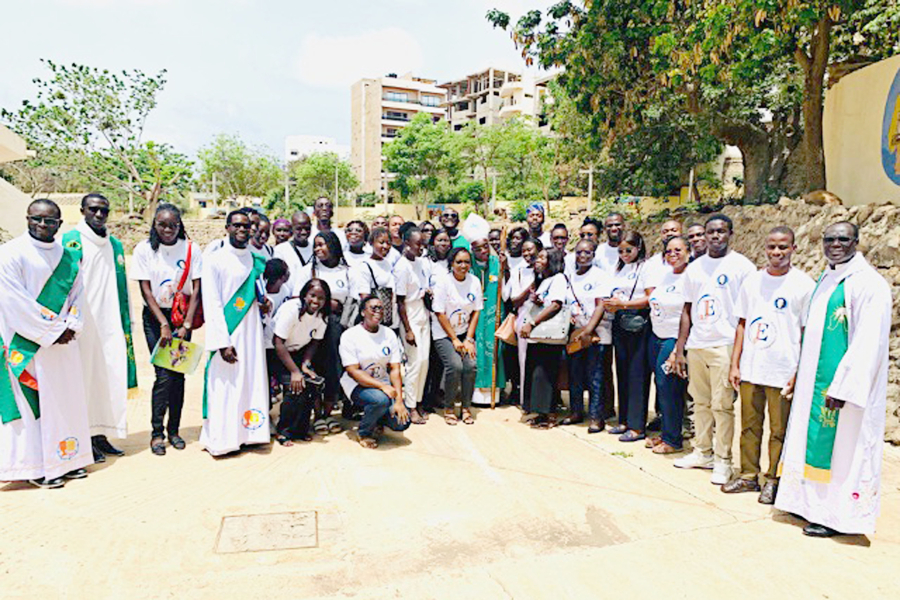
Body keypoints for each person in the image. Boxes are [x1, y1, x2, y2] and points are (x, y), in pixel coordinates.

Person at [776, 222, 891, 537]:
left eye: (843, 239)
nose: (835, 244)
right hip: (813, 383)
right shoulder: (827, 278)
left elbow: (869, 341)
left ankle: (837, 517)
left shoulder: (869, 284)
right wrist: (800, 373)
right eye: (829, 239)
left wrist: (843, 387)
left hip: (844, 391)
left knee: (843, 452)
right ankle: (807, 505)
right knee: (809, 441)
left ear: (856, 241)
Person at [0, 199, 92, 488]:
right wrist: (52, 330)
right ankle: (35, 467)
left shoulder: (69, 257)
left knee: (64, 402)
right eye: (36, 219)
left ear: (59, 224)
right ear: (27, 218)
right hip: (27, 344)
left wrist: (72, 326)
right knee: (32, 405)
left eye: (50, 221)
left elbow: (78, 296)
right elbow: (14, 301)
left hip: (63, 345)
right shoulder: (10, 254)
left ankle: (67, 460)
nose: (42, 225)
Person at [722, 226, 814, 503]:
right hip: (752, 367)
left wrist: (799, 371)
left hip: (783, 370)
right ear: (765, 248)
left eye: (783, 247)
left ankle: (774, 479)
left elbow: (807, 332)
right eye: (772, 246)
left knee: (779, 430)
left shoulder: (804, 285)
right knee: (749, 426)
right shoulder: (752, 281)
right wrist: (735, 363)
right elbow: (742, 323)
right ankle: (748, 475)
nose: (777, 252)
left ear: (793, 249)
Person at [672, 214, 756, 485]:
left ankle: (723, 460)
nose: (715, 236)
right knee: (700, 403)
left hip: (725, 344)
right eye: (711, 232)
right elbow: (687, 309)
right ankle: (703, 451)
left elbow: (749, 312)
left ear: (730, 233)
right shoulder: (694, 268)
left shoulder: (742, 267)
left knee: (722, 406)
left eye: (721, 231)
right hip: (698, 344)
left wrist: (741, 355)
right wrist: (680, 348)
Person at [62, 193, 137, 463]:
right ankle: (83, 436)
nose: (99, 214)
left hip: (111, 322)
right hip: (83, 323)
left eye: (104, 210)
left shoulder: (114, 244)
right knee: (85, 379)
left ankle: (101, 434)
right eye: (93, 209)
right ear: (82, 210)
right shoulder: (72, 241)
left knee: (108, 378)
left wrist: (127, 321)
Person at [132, 203, 202, 455]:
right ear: (155, 224)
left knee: (178, 376)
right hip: (155, 318)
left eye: (173, 225)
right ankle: (156, 434)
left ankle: (174, 431)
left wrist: (185, 325)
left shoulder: (191, 249)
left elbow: (197, 289)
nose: (168, 229)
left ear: (179, 225)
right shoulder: (144, 249)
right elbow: (145, 290)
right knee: (163, 375)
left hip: (181, 318)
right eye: (162, 224)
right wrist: (163, 323)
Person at [200, 210, 271, 457]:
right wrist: (222, 341)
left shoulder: (255, 260)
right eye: (237, 225)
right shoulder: (215, 260)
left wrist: (266, 304)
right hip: (228, 333)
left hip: (252, 332)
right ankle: (223, 438)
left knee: (250, 380)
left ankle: (251, 434)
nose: (242, 229)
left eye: (246, 226)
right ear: (227, 228)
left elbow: (260, 294)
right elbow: (212, 303)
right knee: (226, 384)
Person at [299, 231, 363, 435]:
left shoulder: (348, 271)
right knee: (315, 369)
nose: (318, 249)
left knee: (333, 371)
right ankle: (317, 415)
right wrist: (327, 304)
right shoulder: (309, 271)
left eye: (322, 244)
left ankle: (328, 414)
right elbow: (298, 298)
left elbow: (356, 300)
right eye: (315, 245)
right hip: (313, 326)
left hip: (338, 328)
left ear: (333, 245)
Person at [339, 295, 410, 449]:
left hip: (383, 386)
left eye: (381, 308)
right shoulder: (350, 335)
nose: (378, 311)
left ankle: (377, 418)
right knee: (380, 400)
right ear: (363, 312)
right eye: (373, 308)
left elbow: (395, 369)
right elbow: (353, 371)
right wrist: (382, 387)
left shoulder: (389, 334)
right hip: (357, 384)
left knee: (402, 422)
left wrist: (399, 401)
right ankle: (364, 432)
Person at [603, 231, 652, 442]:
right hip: (620, 322)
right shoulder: (620, 268)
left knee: (637, 374)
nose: (624, 254)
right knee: (622, 372)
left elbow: (650, 298)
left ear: (638, 247)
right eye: (620, 251)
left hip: (638, 323)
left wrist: (624, 304)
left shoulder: (646, 268)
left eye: (628, 250)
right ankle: (624, 420)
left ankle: (637, 425)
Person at [271, 279, 329, 445]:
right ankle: (283, 431)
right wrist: (295, 371)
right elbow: (278, 342)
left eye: (321, 298)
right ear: (304, 295)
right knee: (294, 387)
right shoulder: (292, 310)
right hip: (276, 352)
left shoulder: (322, 316)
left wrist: (305, 364)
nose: (316, 301)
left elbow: (315, 342)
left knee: (310, 385)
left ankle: (301, 430)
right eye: (312, 296)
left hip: (298, 352)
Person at [563, 239, 612, 433]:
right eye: (579, 252)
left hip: (596, 333)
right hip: (576, 334)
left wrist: (588, 331)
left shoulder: (600, 276)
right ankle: (576, 411)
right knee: (575, 374)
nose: (582, 256)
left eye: (587, 252)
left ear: (594, 254)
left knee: (595, 377)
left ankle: (596, 417)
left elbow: (601, 305)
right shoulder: (570, 276)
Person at [649, 236, 691, 454]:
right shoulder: (667, 275)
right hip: (657, 336)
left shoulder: (690, 278)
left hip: (674, 340)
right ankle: (666, 432)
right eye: (668, 251)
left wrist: (678, 349)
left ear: (688, 252)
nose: (672, 254)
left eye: (678, 250)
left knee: (670, 389)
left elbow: (689, 313)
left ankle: (673, 440)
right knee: (661, 388)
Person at [433, 247, 482, 425]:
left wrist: (468, 339)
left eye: (467, 262)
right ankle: (449, 407)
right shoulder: (443, 282)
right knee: (455, 366)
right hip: (444, 333)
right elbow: (439, 313)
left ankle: (466, 407)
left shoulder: (474, 281)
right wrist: (454, 339)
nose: (463, 265)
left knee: (471, 365)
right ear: (451, 263)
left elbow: (476, 311)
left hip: (464, 333)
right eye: (459, 262)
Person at [519, 248, 566, 428]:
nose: (537, 260)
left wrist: (532, 323)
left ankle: (549, 415)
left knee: (547, 374)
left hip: (548, 333)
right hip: (539, 334)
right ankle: (539, 413)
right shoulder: (544, 280)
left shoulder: (558, 278)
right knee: (537, 374)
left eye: (542, 258)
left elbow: (556, 305)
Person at [394, 225, 431, 424]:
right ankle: (410, 406)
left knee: (424, 361)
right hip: (409, 315)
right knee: (414, 363)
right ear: (406, 243)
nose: (421, 247)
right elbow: (400, 301)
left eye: (423, 244)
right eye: (418, 244)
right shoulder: (402, 266)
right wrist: (408, 330)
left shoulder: (420, 262)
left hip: (422, 312)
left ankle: (418, 400)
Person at [470, 236, 505, 406]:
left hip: (494, 312)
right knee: (477, 349)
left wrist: (505, 268)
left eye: (485, 246)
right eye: (478, 249)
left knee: (494, 350)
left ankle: (494, 393)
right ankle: (475, 393)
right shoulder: (468, 264)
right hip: (474, 314)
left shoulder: (497, 263)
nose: (483, 251)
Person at [356, 227, 399, 331]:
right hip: (375, 321)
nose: (385, 246)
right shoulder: (365, 266)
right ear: (372, 243)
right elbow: (364, 297)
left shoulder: (389, 264)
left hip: (391, 319)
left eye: (388, 243)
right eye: (381, 242)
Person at [273, 211, 313, 295]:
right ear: (291, 229)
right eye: (299, 229)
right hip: (289, 298)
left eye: (307, 228)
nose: (304, 232)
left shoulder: (316, 250)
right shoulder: (280, 250)